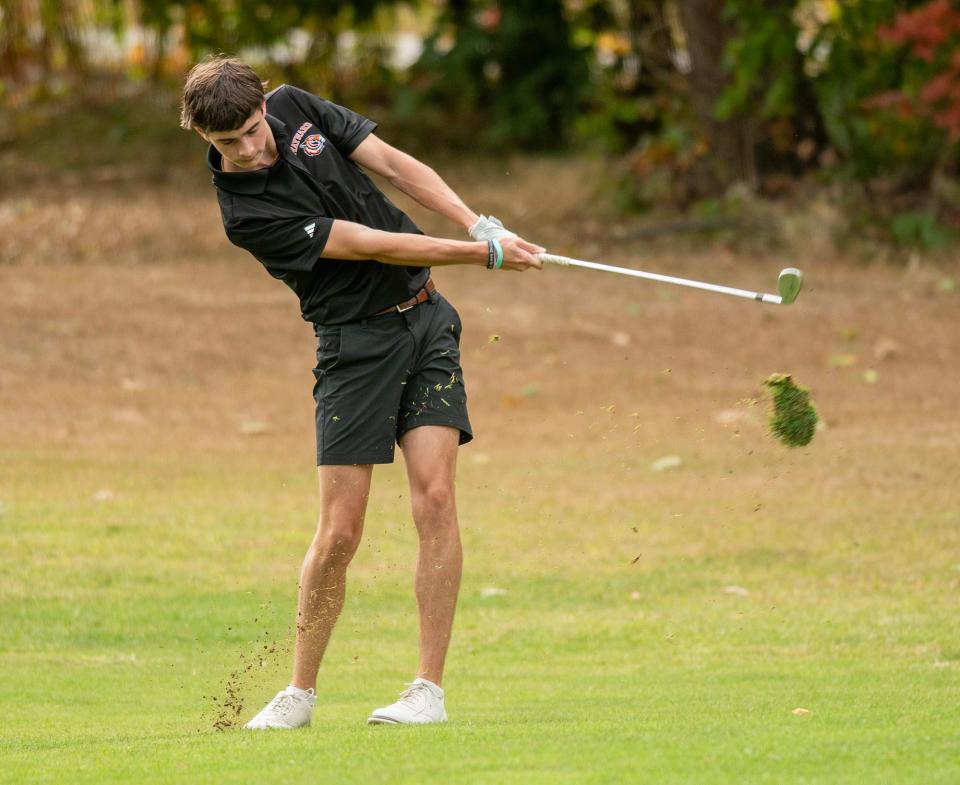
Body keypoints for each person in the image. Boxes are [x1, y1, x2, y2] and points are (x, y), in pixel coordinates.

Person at [180, 56, 543, 728]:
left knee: (435, 497)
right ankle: (300, 693)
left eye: (255, 130)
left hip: (428, 320)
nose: (251, 147)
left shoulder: (294, 106)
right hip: (354, 348)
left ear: (265, 106)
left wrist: (476, 223)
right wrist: (482, 256)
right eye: (230, 143)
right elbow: (370, 244)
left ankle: (427, 690)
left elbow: (395, 165)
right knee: (341, 531)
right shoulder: (245, 212)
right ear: (206, 138)